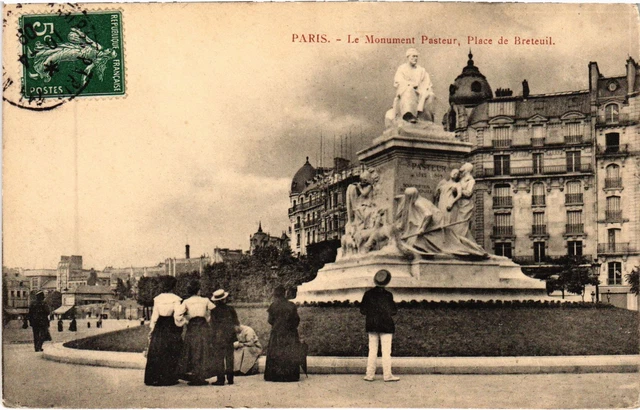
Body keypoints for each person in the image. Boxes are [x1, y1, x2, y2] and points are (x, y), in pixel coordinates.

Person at [360, 270, 399, 382]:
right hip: (386, 325)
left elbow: (362, 310)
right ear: (386, 282)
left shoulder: (368, 294)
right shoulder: (388, 295)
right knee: (386, 351)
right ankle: (387, 375)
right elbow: (393, 311)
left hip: (372, 324)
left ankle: (369, 374)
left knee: (372, 350)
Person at [174, 280, 216, 386]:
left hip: (192, 326)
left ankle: (194, 376)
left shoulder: (186, 302)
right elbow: (215, 310)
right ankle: (201, 375)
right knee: (203, 348)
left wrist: (185, 321)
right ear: (198, 291)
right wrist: (208, 318)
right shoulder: (205, 300)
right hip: (203, 325)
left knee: (192, 349)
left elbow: (177, 315)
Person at [144, 276, 183, 386]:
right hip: (170, 325)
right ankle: (168, 377)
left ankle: (154, 377)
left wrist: (152, 328)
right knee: (170, 350)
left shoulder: (158, 298)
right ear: (173, 286)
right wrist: (181, 323)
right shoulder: (176, 299)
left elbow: (155, 315)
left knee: (157, 350)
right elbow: (177, 315)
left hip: (160, 325)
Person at [264, 286, 301, 382]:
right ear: (284, 293)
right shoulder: (291, 305)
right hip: (290, 332)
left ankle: (275, 375)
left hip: (277, 332)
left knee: (276, 352)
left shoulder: (273, 305)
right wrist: (291, 327)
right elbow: (296, 320)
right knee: (289, 352)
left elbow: (270, 320)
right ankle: (289, 375)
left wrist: (277, 325)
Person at [393, 48, 435, 123]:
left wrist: (423, 89)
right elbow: (398, 81)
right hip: (407, 89)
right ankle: (409, 115)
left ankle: (426, 118)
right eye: (413, 56)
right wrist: (410, 84)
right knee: (409, 90)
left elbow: (427, 83)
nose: (415, 58)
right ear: (408, 57)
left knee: (431, 95)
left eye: (416, 56)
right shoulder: (402, 69)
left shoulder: (421, 70)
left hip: (420, 91)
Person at [209, 289, 239, 386]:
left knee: (219, 358)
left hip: (218, 336)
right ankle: (230, 379)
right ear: (225, 298)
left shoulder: (214, 311)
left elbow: (212, 325)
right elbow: (236, 323)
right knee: (229, 357)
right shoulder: (231, 309)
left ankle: (220, 379)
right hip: (229, 335)